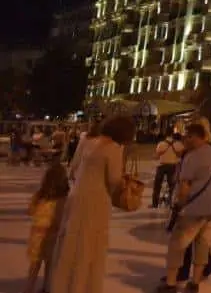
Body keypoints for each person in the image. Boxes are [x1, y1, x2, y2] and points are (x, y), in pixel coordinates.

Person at [48, 115, 135, 293]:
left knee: (72, 244)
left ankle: (63, 285)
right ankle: (82, 287)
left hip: (77, 196)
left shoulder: (90, 142)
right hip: (96, 200)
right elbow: (113, 181)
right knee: (89, 245)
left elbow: (76, 166)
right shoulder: (113, 149)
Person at [157, 123, 211, 292]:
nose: (185, 139)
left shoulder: (193, 157)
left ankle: (171, 284)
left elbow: (184, 186)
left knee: (177, 244)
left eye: (188, 136)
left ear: (196, 137)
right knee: (201, 242)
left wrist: (178, 205)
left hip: (194, 207)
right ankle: (194, 283)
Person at [26, 162, 69, 293]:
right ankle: (46, 288)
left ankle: (29, 289)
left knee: (34, 265)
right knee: (49, 264)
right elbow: (60, 218)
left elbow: (31, 210)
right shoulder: (62, 199)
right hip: (52, 236)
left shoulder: (39, 195)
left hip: (36, 235)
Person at [152, 131, 184, 209]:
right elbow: (181, 155)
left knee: (157, 186)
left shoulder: (161, 144)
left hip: (161, 165)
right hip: (172, 166)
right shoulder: (178, 144)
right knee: (172, 186)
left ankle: (155, 204)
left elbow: (157, 155)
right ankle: (170, 203)